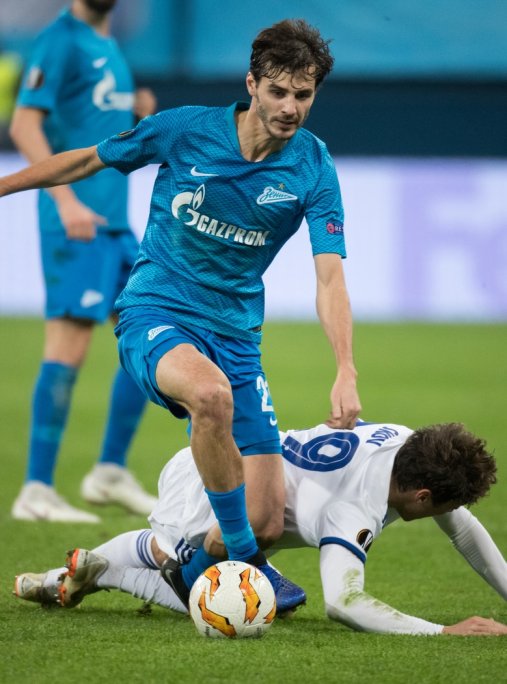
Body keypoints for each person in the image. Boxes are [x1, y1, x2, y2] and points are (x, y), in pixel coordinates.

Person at [1, 19, 361, 610]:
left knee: (266, 520)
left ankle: (158, 568)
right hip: (155, 312)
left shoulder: (313, 167)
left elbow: (330, 277)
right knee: (210, 397)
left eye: (303, 94)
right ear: (252, 84)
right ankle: (247, 568)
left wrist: (345, 367)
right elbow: (86, 161)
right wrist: (4, 185)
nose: (290, 107)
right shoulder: (185, 130)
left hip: (237, 337)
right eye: (277, 91)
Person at [13, 420, 507, 634]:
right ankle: (107, 573)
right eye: (444, 505)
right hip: (207, 490)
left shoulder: (405, 442)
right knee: (212, 591)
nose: (449, 514)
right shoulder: (352, 511)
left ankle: (74, 576)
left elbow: (463, 529)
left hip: (233, 465)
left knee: (271, 601)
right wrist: (444, 631)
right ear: (423, 497)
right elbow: (345, 602)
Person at [8, 0, 158, 522]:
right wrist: (65, 201)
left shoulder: (108, 42)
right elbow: (24, 124)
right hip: (76, 221)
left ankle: (110, 470)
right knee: (68, 348)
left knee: (149, 335)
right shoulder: (62, 39)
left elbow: (91, 120)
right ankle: (36, 490)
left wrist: (135, 112)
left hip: (115, 223)